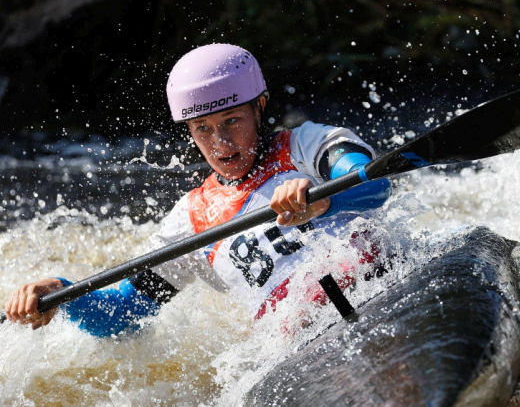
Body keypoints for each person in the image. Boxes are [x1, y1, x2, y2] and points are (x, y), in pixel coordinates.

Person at [4, 44, 392, 337]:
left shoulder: (307, 145)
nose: (221, 143)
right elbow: (118, 317)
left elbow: (375, 182)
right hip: (302, 333)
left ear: (260, 106)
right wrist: (61, 292)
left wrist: (325, 199)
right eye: (203, 128)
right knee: (291, 316)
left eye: (232, 120)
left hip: (376, 278)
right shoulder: (191, 221)